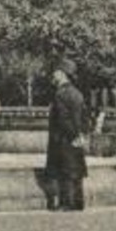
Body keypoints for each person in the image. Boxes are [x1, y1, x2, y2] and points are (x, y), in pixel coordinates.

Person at [44, 67, 88, 211]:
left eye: (55, 75)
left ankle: (67, 203)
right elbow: (83, 118)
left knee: (65, 171)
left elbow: (63, 119)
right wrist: (81, 135)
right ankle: (79, 202)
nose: (53, 79)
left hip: (63, 139)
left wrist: (72, 135)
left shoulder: (60, 95)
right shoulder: (78, 93)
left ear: (62, 75)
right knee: (77, 171)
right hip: (77, 137)